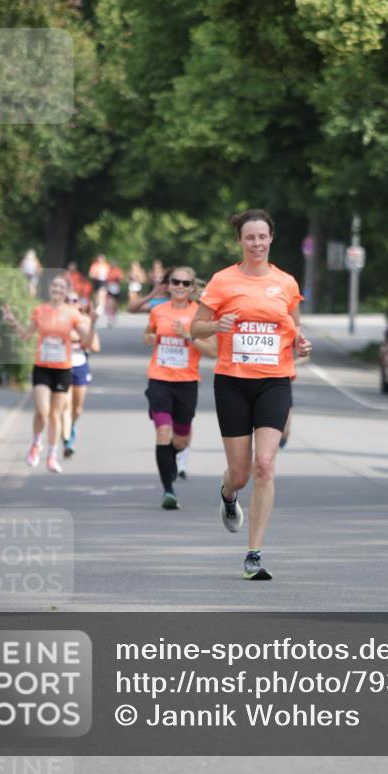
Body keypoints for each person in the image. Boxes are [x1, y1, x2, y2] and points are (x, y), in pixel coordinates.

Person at [191, 209, 312, 581]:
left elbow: (293, 329)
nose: (256, 243)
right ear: (240, 242)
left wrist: (301, 345)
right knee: (241, 474)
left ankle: (254, 553)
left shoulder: (287, 283)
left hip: (275, 380)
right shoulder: (222, 281)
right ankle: (228, 495)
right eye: (249, 238)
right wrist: (217, 324)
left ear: (271, 238)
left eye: (262, 237)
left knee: (265, 466)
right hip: (232, 382)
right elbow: (195, 328)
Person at [2, 275, 97, 473]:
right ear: (49, 289)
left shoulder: (72, 314)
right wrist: (13, 322)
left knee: (55, 415)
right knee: (42, 411)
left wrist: (93, 323)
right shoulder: (40, 310)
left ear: (66, 291)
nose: (57, 289)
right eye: (54, 285)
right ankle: (36, 443)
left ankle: (52, 456)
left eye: (61, 287)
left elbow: (86, 341)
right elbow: (26, 335)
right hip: (42, 368)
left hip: (63, 369)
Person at [143, 266, 217, 509]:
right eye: (176, 282)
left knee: (181, 441)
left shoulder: (200, 315)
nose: (180, 287)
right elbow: (147, 335)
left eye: (186, 284)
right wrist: (150, 339)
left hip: (187, 383)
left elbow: (213, 352)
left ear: (192, 288)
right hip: (160, 379)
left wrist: (188, 335)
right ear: (170, 284)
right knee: (163, 433)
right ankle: (168, 490)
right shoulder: (158, 310)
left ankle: (170, 459)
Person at [62, 292, 100, 458]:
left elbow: (96, 347)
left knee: (77, 408)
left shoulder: (85, 321)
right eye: (67, 301)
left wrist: (88, 330)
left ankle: (72, 427)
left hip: (80, 366)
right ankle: (67, 441)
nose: (71, 303)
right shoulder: (58, 321)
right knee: (66, 405)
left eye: (74, 300)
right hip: (61, 366)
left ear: (79, 304)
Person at [105, 261, 124, 328]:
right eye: (111, 265)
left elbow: (120, 279)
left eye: (113, 265)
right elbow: (106, 279)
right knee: (110, 303)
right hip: (110, 288)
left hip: (116, 288)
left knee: (115, 304)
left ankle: (114, 314)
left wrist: (117, 279)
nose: (112, 266)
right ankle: (110, 318)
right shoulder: (108, 271)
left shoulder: (118, 271)